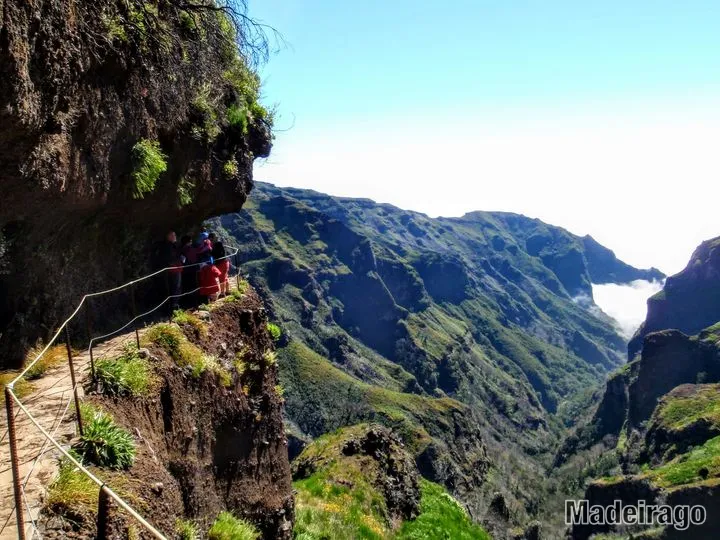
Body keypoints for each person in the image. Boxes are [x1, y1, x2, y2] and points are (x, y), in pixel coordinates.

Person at [158, 231, 183, 308]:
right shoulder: (168, 246)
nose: (174, 236)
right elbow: (174, 256)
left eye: (175, 235)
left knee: (175, 287)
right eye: (172, 235)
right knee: (175, 287)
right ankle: (174, 305)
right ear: (168, 237)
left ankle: (174, 304)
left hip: (175, 269)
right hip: (174, 269)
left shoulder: (170, 245)